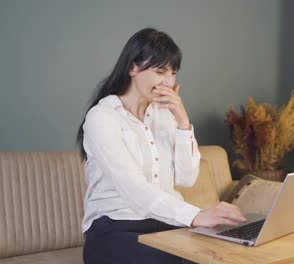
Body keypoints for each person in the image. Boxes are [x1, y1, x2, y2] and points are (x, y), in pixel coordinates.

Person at [76, 27, 246, 264]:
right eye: (160, 71)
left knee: (224, 254)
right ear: (133, 67)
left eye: (173, 73)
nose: (168, 82)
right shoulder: (102, 118)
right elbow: (134, 190)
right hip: (114, 230)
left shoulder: (164, 115)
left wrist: (182, 120)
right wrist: (196, 215)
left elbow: (187, 178)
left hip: (165, 226)